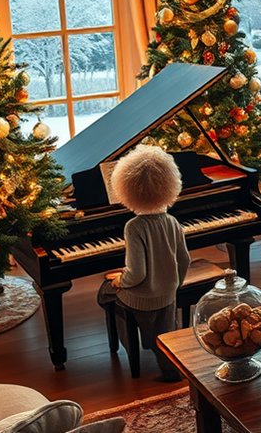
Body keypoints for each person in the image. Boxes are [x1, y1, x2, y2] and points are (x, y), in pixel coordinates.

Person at [97, 145, 190, 381]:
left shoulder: (134, 227)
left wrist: (120, 280)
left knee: (105, 292)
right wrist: (173, 284)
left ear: (126, 190)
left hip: (142, 299)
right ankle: (171, 365)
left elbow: (137, 274)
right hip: (168, 294)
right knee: (164, 324)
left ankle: (129, 346)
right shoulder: (172, 221)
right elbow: (184, 259)